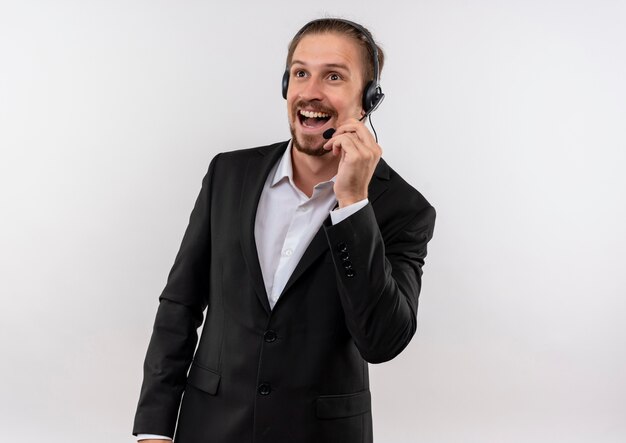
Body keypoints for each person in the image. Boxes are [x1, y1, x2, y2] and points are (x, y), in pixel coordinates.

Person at [133, 18, 436, 443]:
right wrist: (154, 429)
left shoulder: (404, 208)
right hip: (211, 427)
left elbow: (383, 341)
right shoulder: (228, 174)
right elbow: (180, 304)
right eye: (300, 72)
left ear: (368, 100)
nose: (310, 92)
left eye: (333, 76)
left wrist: (353, 204)